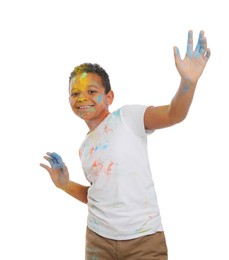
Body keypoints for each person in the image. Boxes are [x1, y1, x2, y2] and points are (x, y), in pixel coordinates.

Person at [40, 30, 210, 260]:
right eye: (75, 93)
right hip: (98, 241)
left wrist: (187, 82)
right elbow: (98, 196)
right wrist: (64, 184)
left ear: (109, 97)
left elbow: (173, 114)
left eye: (91, 91)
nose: (81, 98)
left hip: (144, 240)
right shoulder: (84, 147)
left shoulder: (127, 117)